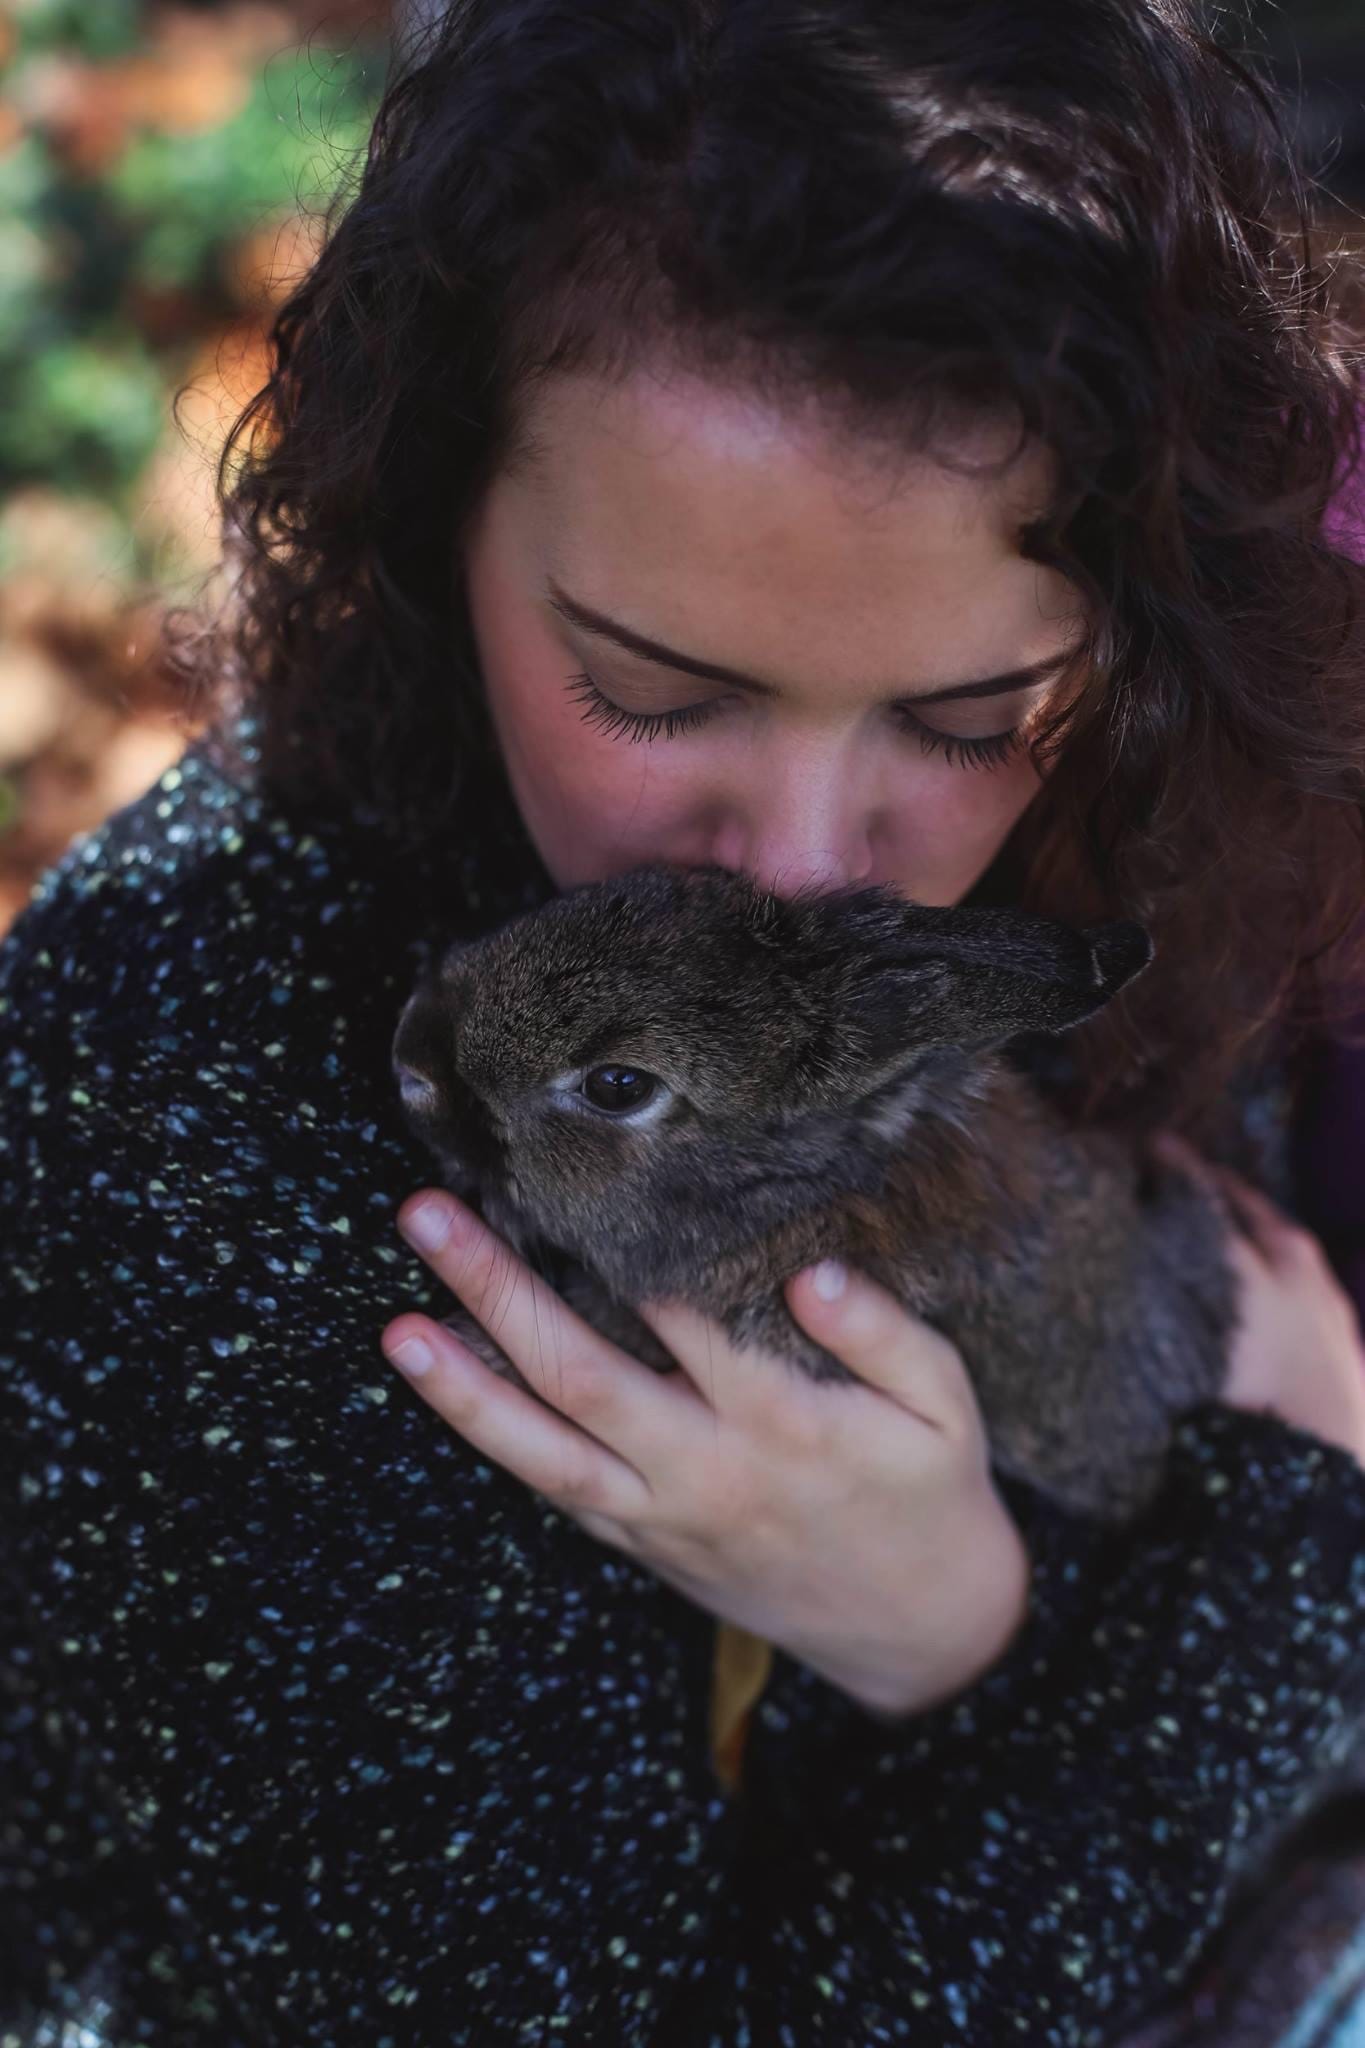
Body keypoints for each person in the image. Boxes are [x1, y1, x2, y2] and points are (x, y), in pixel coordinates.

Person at [3, 2, 1365, 2042]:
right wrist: (1183, 1575)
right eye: (654, 690)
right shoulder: (178, 1122)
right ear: (432, 501)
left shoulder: (1120, 836)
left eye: (963, 719)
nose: (815, 859)